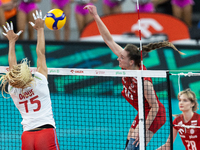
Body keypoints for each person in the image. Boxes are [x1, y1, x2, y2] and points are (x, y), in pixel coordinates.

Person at [84, 5, 185, 150]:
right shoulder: (127, 64)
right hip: (143, 112)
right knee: (129, 146)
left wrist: (142, 129)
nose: (118, 59)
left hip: (154, 114)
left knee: (135, 147)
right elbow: (109, 40)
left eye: (122, 57)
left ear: (131, 61)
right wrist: (95, 16)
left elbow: (155, 107)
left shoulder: (144, 82)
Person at [0, 10, 60, 150]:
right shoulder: (39, 81)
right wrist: (40, 29)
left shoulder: (13, 89)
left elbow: (12, 68)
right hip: (45, 134)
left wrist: (11, 42)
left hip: (27, 137)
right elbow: (41, 53)